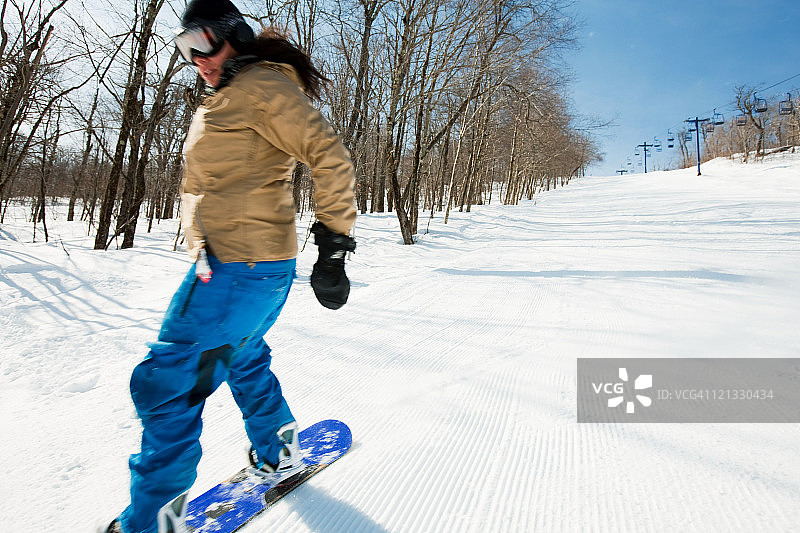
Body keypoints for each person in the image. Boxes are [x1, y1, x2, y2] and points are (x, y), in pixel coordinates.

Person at [101, 0, 356, 531]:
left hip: (237, 266)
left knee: (167, 384)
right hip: (248, 264)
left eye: (203, 42)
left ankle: (151, 521)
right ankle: (279, 448)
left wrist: (334, 244)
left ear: (234, 36)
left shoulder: (261, 88)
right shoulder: (238, 92)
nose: (196, 58)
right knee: (242, 354)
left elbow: (329, 155)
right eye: (184, 48)